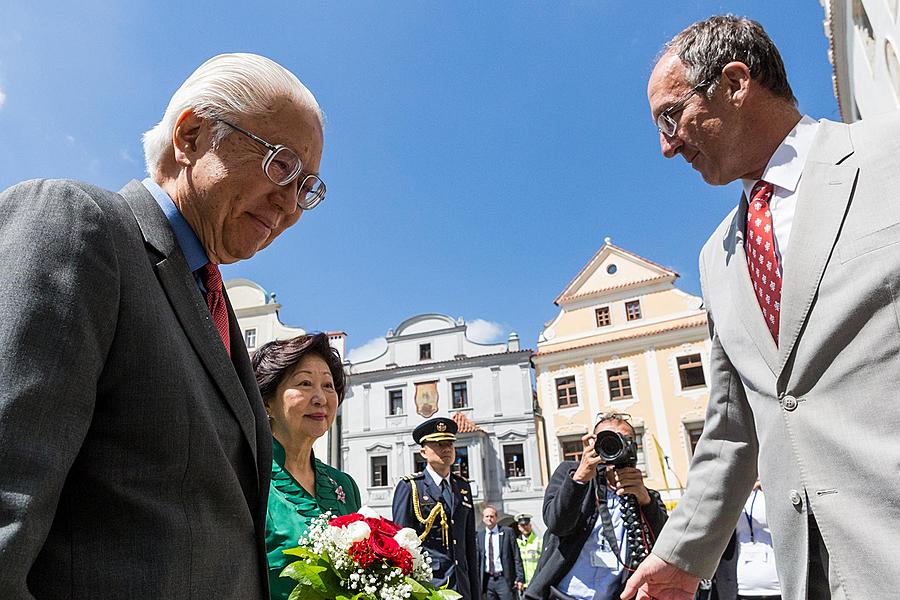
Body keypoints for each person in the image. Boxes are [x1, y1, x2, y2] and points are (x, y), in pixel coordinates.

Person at [0, 53, 326, 598]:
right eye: (280, 165)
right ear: (193, 135)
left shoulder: (213, 305)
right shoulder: (77, 224)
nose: (290, 205)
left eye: (307, 186)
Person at [627, 14, 900, 600]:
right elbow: (733, 425)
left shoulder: (889, 156)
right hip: (809, 573)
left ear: (733, 83)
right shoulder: (715, 256)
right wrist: (681, 555)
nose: (667, 147)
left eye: (671, 116)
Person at [253, 333, 362, 600]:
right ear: (267, 401)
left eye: (327, 385)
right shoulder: (247, 480)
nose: (321, 398)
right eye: (304, 383)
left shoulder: (344, 486)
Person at [526, 414, 668, 600]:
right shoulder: (570, 473)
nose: (615, 446)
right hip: (563, 594)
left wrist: (645, 501)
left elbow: (666, 544)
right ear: (593, 444)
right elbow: (557, 524)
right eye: (608, 439)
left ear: (634, 447)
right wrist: (579, 479)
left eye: (623, 440)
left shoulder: (645, 495)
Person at [392, 417, 480, 599]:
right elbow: (401, 546)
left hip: (461, 587)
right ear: (423, 452)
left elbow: (469, 545)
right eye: (439, 444)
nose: (446, 449)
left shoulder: (463, 488)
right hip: (429, 586)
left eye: (450, 444)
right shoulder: (411, 487)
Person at [697, 480, 780, 600]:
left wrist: (770, 487)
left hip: (780, 588)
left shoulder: (775, 491)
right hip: (739, 588)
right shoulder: (728, 496)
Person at [476, 505, 525, 600]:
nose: (489, 518)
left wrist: (520, 578)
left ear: (496, 518)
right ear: (483, 518)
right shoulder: (480, 536)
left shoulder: (507, 532)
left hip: (504, 579)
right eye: (487, 516)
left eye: (492, 516)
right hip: (487, 581)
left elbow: (516, 556)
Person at [514, 513, 543, 591]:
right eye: (522, 525)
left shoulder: (539, 541)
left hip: (537, 582)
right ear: (519, 527)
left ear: (530, 525)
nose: (525, 527)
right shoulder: (516, 543)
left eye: (527, 524)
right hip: (522, 585)